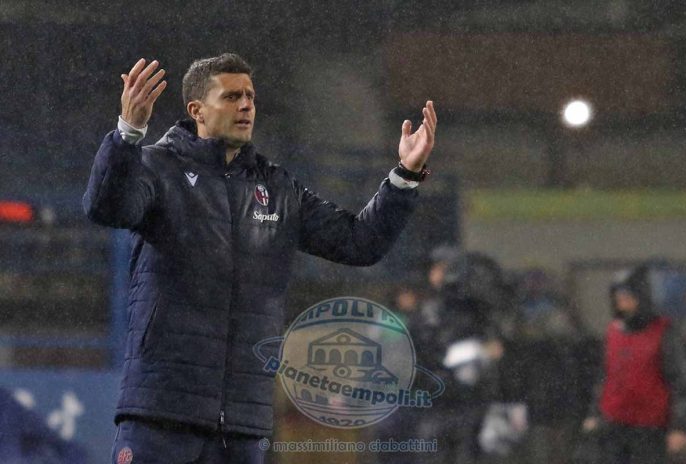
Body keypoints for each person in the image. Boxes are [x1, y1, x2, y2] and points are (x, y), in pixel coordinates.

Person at [83, 53, 437, 464]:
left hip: (242, 424)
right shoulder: (156, 167)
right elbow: (107, 208)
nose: (246, 105)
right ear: (197, 110)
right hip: (161, 413)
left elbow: (360, 243)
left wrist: (404, 177)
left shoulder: (278, 187)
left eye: (250, 96)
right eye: (232, 96)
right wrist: (127, 135)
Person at [582, 264, 686, 464]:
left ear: (642, 298)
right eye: (619, 300)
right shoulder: (613, 333)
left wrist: (680, 426)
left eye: (628, 299)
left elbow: (682, 383)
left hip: (650, 429)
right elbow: (605, 378)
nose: (623, 305)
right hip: (613, 426)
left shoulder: (664, 334)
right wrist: (595, 413)